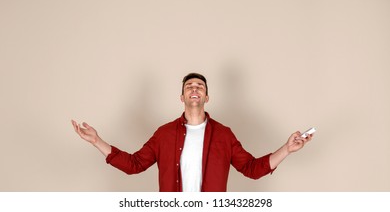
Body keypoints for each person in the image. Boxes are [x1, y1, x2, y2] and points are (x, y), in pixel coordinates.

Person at [71, 72, 313, 192]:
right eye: (189, 86)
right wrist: (96, 141)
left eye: (199, 86)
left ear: (206, 97)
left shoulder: (224, 135)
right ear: (182, 97)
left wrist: (287, 149)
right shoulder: (164, 134)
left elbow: (252, 168)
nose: (194, 88)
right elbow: (134, 164)